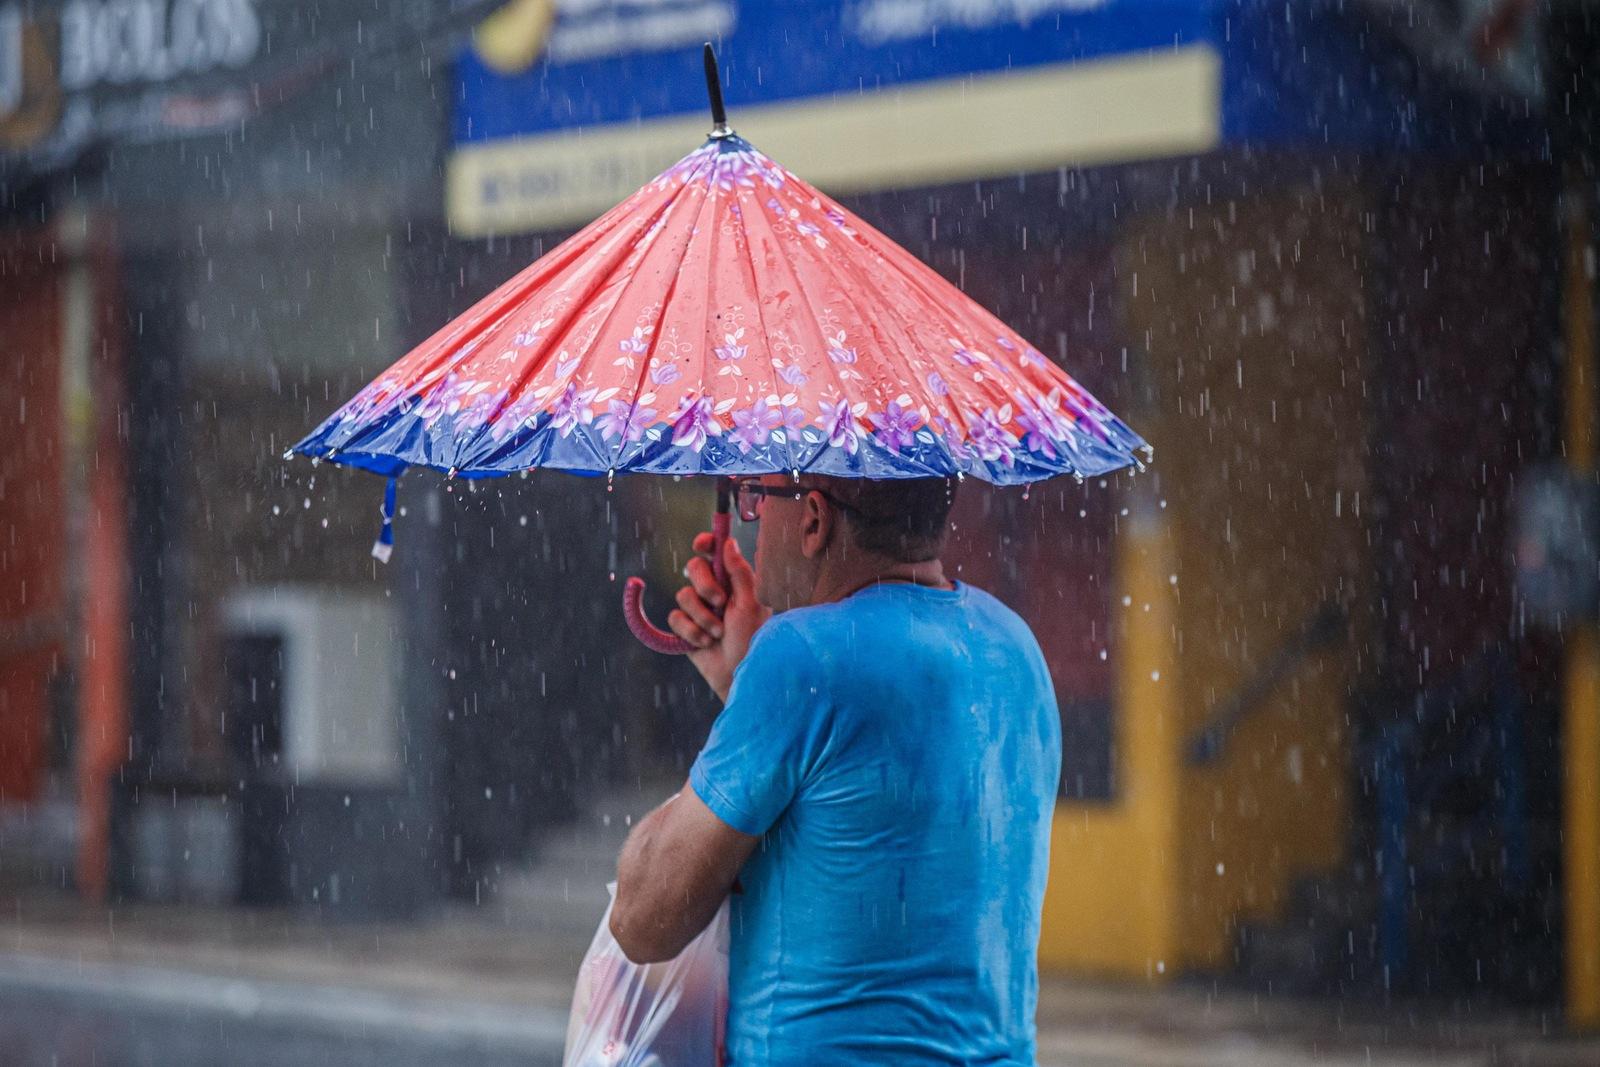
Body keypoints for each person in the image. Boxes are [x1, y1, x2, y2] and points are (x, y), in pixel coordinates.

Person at [609, 473, 1062, 1066]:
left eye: (759, 497)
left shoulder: (804, 657)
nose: (752, 521)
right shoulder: (1013, 645)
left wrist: (763, 685)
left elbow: (644, 920)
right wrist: (744, 687)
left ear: (814, 519)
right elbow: (872, 802)